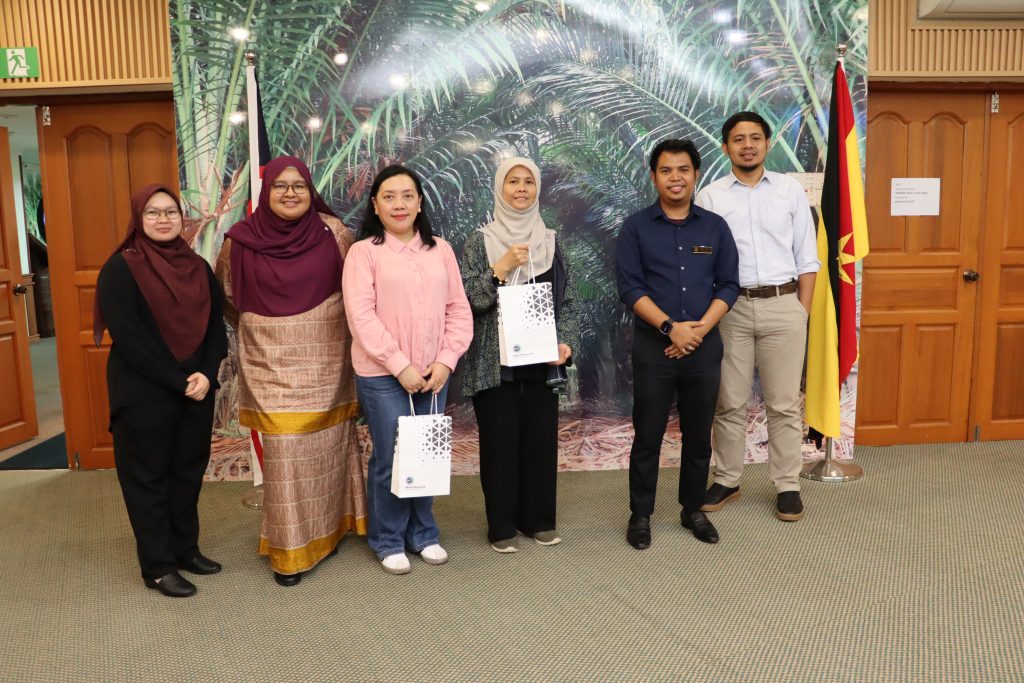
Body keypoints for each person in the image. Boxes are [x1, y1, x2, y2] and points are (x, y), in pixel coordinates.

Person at [216, 156, 367, 587]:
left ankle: (330, 531)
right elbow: (228, 297)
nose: (290, 193)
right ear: (267, 192)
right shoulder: (239, 242)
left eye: (299, 185)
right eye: (280, 186)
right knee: (285, 453)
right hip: (270, 363)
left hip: (327, 362)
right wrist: (270, 328)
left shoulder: (334, 233)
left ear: (310, 190)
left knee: (329, 446)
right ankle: (290, 550)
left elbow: (356, 290)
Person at [96, 184, 228, 598]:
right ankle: (158, 566)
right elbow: (130, 338)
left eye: (170, 211)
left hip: (196, 389)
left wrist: (206, 373)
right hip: (144, 393)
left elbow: (215, 328)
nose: (163, 219)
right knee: (148, 479)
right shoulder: (121, 268)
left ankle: (185, 550)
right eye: (152, 212)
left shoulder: (198, 267)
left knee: (187, 474)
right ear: (139, 218)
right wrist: (178, 381)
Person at [342, 164, 472, 575]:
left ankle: (423, 534)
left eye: (407, 196)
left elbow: (458, 310)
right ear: (375, 205)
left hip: (433, 372)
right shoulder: (364, 253)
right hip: (383, 374)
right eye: (389, 197)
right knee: (392, 456)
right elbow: (361, 318)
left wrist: (446, 360)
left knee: (425, 451)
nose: (398, 204)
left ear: (419, 204)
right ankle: (388, 539)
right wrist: (400, 367)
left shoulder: (441, 250)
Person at [695, 111, 819, 522]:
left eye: (755, 137)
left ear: (767, 143)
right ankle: (728, 479)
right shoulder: (710, 197)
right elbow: (703, 263)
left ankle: (787, 485)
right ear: (725, 147)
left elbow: (807, 257)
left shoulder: (789, 191)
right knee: (729, 402)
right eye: (738, 139)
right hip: (729, 309)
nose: (747, 145)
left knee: (784, 404)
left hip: (784, 305)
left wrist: (801, 311)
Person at [615, 139, 739, 548]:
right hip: (655, 348)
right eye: (666, 170)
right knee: (647, 435)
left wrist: (697, 331)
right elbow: (630, 288)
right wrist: (671, 328)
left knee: (699, 434)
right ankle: (640, 514)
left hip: (704, 346)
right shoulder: (635, 228)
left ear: (696, 174)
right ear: (654, 176)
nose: (675, 178)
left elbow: (728, 284)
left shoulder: (714, 227)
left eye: (683, 169)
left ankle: (692, 509)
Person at [460, 157, 580, 553]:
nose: (521, 188)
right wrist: (501, 267)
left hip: (542, 360)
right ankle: (502, 527)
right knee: (500, 443)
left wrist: (566, 343)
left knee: (540, 442)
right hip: (495, 364)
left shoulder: (552, 242)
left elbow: (569, 301)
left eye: (529, 181)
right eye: (513, 181)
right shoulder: (480, 241)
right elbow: (471, 300)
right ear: (500, 188)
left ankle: (539, 520)